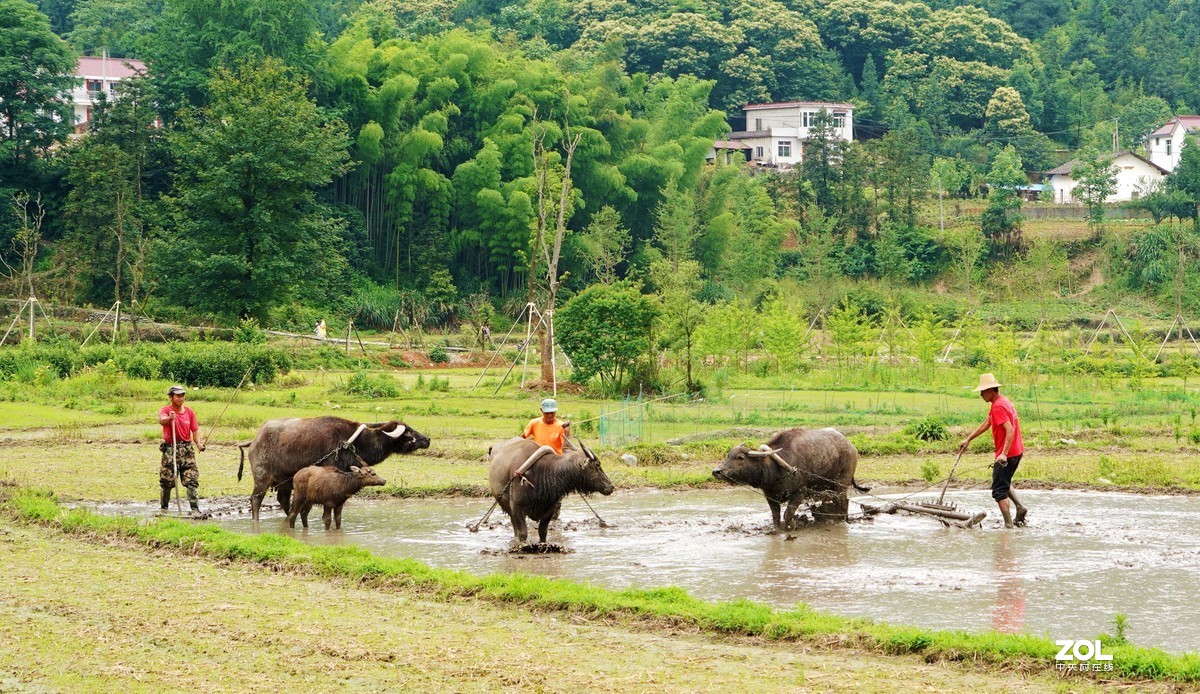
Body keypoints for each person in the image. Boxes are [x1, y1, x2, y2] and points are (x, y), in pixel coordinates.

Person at [957, 373, 1029, 529]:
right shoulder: (1003, 402)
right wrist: (969, 439)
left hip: (1008, 454)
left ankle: (1008, 526)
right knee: (1003, 481)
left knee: (998, 490)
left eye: (982, 391)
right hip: (1017, 451)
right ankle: (1020, 507)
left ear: (991, 390)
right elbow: (987, 423)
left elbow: (1009, 430)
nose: (981, 395)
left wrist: (1003, 453)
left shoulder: (998, 406)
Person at [157, 385, 205, 515]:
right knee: (167, 480)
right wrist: (169, 418)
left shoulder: (189, 412)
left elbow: (194, 430)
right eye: (178, 396)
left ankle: (195, 510)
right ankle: (164, 508)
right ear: (171, 397)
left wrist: (199, 444)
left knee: (192, 480)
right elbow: (162, 420)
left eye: (182, 395)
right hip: (170, 450)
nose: (181, 398)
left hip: (187, 450)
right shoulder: (166, 410)